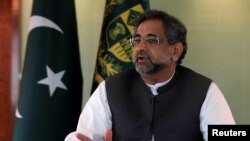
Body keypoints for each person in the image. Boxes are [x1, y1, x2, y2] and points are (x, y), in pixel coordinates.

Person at [65, 9, 235, 141]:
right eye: (137, 40)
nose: (141, 47)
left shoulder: (204, 90)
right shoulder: (111, 88)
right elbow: (79, 136)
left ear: (175, 51)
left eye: (152, 40)